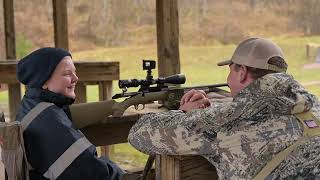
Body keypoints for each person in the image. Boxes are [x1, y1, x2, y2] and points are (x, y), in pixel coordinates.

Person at [128, 37, 320, 179]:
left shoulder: (228, 120)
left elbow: (139, 134)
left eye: (230, 70)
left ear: (242, 72)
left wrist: (185, 113)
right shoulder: (312, 104)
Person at [16, 47, 124, 180]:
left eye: (75, 72)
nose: (76, 78)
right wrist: (124, 176)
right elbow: (93, 173)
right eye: (67, 74)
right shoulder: (49, 121)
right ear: (43, 81)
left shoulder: (34, 105)